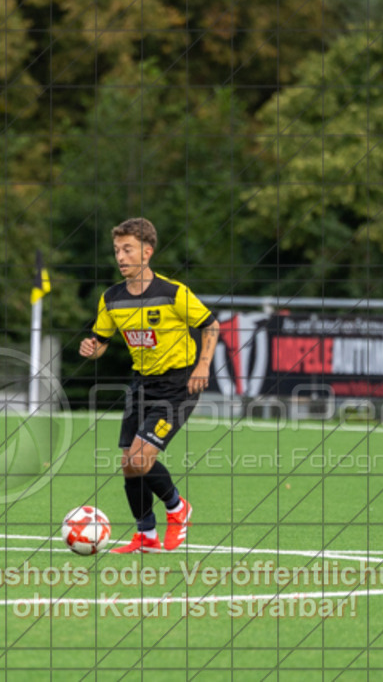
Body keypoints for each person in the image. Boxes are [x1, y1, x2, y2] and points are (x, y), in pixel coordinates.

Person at [80, 217, 220, 553]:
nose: (121, 257)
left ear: (147, 251)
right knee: (129, 464)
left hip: (178, 385)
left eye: (127, 249)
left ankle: (177, 508)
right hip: (141, 384)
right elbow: (100, 341)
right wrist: (92, 349)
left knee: (141, 459)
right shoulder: (111, 298)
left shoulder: (173, 293)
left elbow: (211, 325)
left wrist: (202, 365)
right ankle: (146, 535)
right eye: (117, 250)